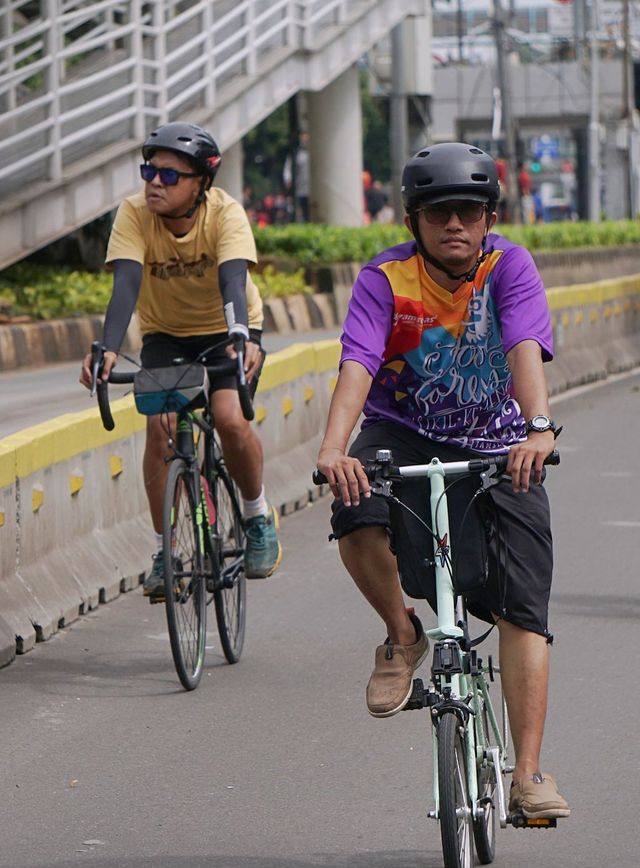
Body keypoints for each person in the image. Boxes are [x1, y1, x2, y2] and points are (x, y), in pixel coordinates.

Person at [316, 142, 570, 820]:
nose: (454, 225)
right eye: (437, 214)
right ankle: (402, 635)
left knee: (524, 607)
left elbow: (523, 345)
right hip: (405, 432)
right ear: (414, 221)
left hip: (499, 441)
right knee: (353, 507)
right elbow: (358, 364)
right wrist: (333, 447)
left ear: (489, 217)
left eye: (468, 212)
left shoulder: (508, 266)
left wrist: (537, 427)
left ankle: (529, 775)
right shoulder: (385, 279)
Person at [80, 121, 282, 597]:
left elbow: (233, 281)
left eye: (169, 176)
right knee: (161, 426)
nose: (154, 182)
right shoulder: (133, 214)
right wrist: (108, 348)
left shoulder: (225, 214)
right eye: (149, 170)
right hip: (166, 334)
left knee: (230, 418)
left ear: (200, 184)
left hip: (228, 328)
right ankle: (165, 550)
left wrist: (241, 336)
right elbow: (125, 286)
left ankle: (256, 517)